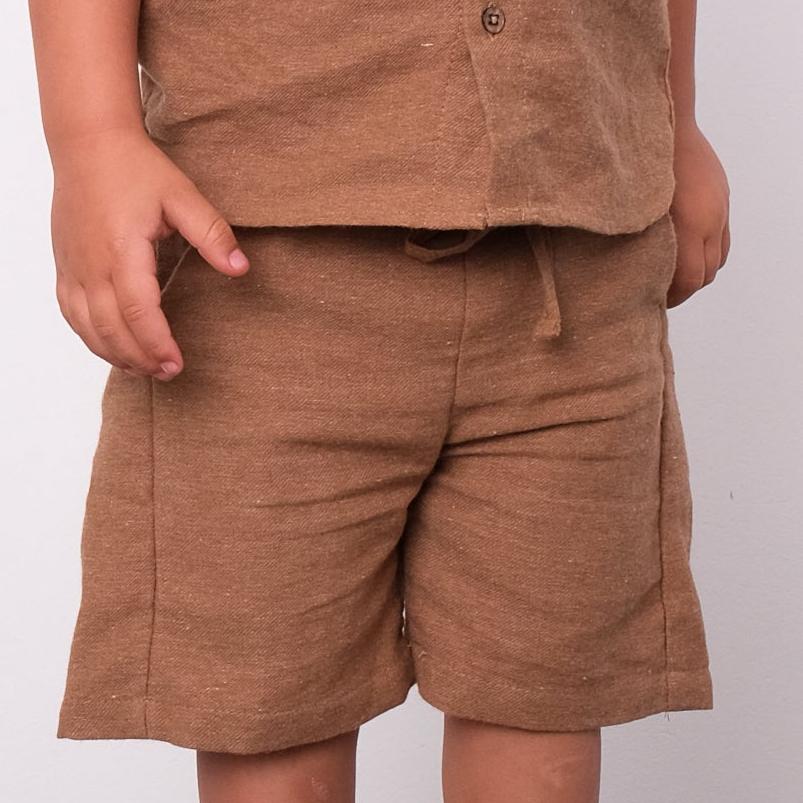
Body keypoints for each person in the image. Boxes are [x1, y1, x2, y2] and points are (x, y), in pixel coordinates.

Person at [30, 1, 730, 801]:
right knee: (267, 716)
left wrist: (675, 118)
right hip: (257, 275)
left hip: (578, 260)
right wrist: (91, 138)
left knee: (548, 702)